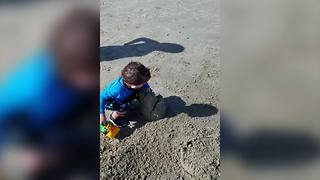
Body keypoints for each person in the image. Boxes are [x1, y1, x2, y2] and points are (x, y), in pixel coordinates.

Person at [100, 61, 152, 127]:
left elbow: (142, 82)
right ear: (133, 86)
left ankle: (129, 104)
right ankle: (114, 117)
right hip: (112, 102)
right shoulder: (116, 89)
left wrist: (146, 87)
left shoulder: (134, 81)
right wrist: (101, 114)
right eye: (143, 83)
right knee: (126, 107)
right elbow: (101, 97)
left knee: (141, 91)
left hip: (125, 95)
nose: (145, 83)